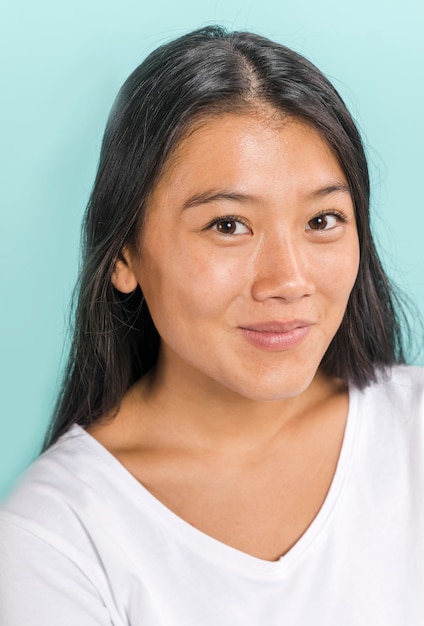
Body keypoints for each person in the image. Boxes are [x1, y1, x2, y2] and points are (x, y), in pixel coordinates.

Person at [0, 25, 423, 625]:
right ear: (123, 254)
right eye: (229, 225)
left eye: (324, 219)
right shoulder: (56, 540)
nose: (286, 279)